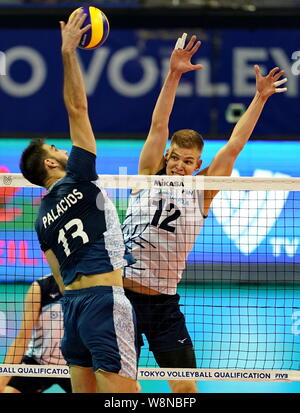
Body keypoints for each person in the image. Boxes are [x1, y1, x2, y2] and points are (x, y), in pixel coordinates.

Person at [122, 33, 288, 393]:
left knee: (185, 391)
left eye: (188, 162)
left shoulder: (202, 191)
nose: (180, 166)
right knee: (120, 388)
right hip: (123, 300)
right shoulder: (147, 174)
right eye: (176, 158)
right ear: (167, 156)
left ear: (198, 164)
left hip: (165, 304)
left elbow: (234, 146)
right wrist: (174, 75)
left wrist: (259, 98)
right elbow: (158, 126)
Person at [19, 9, 138, 393]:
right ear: (51, 163)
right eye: (55, 147)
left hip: (73, 309)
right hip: (105, 299)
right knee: (125, 396)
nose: (62, 147)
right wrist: (69, 52)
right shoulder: (80, 176)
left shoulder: (41, 218)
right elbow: (78, 109)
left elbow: (57, 273)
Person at [0, 274, 72, 394]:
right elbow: (22, 339)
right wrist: (2, 381)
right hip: (39, 362)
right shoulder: (40, 287)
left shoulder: (88, 287)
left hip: (75, 365)